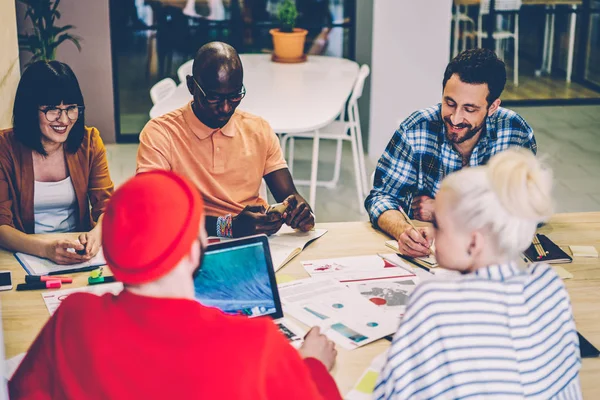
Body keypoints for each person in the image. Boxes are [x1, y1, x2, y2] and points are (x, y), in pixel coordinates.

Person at [9, 171, 342, 399]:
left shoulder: (73, 319)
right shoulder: (256, 343)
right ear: (196, 249)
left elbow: (23, 390)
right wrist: (312, 365)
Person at [373, 148, 582, 400]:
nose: (430, 231)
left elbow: (389, 395)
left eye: (438, 224)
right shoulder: (549, 286)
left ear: (474, 243)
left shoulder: (434, 302)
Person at [365, 48, 537, 258]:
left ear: (492, 107)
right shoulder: (416, 129)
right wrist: (403, 231)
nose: (455, 119)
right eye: (450, 103)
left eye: (470, 109)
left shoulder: (516, 133)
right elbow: (382, 197)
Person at [137, 41, 314, 238]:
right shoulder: (161, 134)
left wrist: (301, 212)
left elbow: (289, 195)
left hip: (255, 241)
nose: (226, 108)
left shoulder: (258, 129)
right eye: (214, 98)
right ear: (191, 86)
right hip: (190, 243)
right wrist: (227, 227)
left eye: (235, 96)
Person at [0, 61, 113, 264]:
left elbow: (107, 209)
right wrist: (46, 249)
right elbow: (1, 225)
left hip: (76, 252)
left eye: (71, 108)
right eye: (52, 110)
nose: (64, 120)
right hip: (24, 254)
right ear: (30, 110)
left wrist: (96, 236)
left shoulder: (89, 141)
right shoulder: (5, 147)